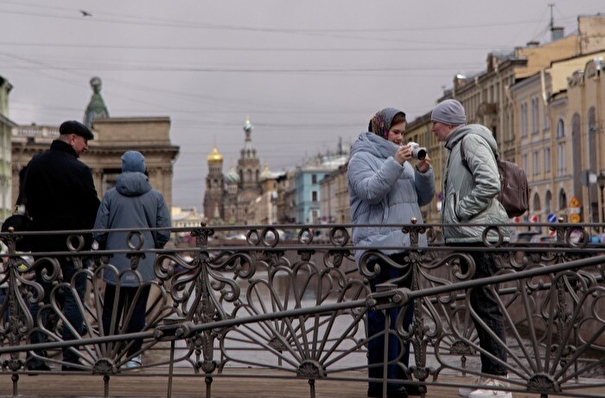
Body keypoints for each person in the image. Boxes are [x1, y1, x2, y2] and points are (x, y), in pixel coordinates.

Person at [348, 108, 435, 398]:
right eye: (396, 132)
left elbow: (423, 199)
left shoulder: (403, 162)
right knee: (384, 316)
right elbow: (370, 192)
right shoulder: (361, 158)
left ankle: (399, 375)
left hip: (406, 248)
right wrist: (394, 162)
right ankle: (380, 384)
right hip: (380, 248)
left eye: (402, 132)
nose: (401, 138)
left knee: (405, 316)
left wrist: (424, 173)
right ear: (381, 130)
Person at [430, 99, 512, 398]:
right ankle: (489, 376)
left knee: (487, 305)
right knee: (479, 307)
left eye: (435, 123)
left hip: (480, 237)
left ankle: (499, 382)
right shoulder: (457, 146)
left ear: (448, 122)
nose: (433, 129)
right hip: (470, 238)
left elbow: (490, 182)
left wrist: (461, 212)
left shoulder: (471, 141)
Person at [23, 120, 100, 371]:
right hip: (72, 247)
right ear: (72, 139)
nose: (86, 147)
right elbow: (93, 210)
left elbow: (29, 205)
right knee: (73, 298)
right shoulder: (79, 170)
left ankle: (35, 356)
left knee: (40, 296)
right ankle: (70, 358)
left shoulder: (35, 165)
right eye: (84, 142)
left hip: (42, 245)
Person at [93, 151, 171, 369]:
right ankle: (133, 357)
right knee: (137, 310)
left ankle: (109, 352)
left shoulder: (110, 195)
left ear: (123, 168)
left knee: (111, 309)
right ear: (144, 168)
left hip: (115, 265)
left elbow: (99, 231)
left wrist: (108, 247)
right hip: (143, 262)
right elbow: (164, 231)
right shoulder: (155, 196)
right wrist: (152, 247)